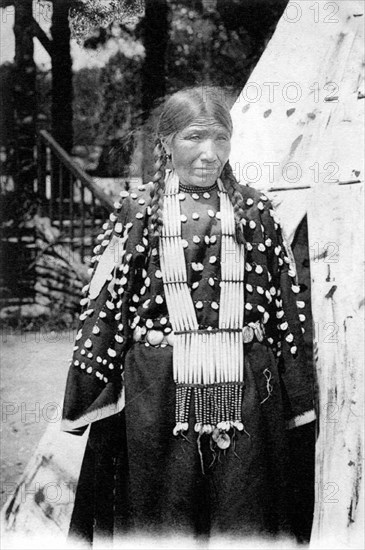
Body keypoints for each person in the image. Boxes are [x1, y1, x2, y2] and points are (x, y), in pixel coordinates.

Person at [61, 87, 315, 547]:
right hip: (156, 388)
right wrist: (89, 391)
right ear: (166, 142)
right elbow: (106, 303)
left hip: (246, 387)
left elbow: (286, 310)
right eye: (194, 138)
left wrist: (297, 396)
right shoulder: (137, 212)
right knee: (163, 511)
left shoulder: (256, 212)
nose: (208, 153)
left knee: (242, 509)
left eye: (220, 139)